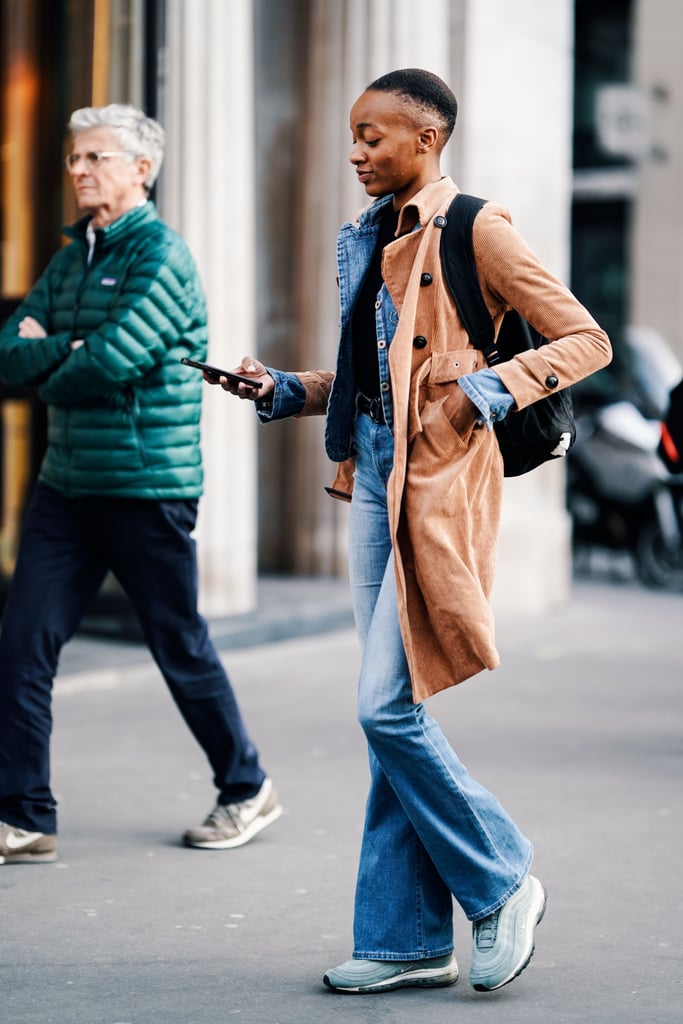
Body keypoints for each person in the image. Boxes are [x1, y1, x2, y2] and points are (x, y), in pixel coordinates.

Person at [211, 69, 612, 995]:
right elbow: (370, 377)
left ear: (424, 139)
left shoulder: (476, 226)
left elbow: (582, 338)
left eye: (372, 136)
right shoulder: (368, 235)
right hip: (370, 479)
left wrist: (484, 391)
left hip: (431, 488)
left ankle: (501, 878)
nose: (354, 152)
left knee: (384, 707)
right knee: (395, 713)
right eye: (350, 136)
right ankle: (405, 941)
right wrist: (282, 389)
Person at [0, 103, 281, 865]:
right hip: (67, 485)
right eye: (73, 159)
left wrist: (53, 353)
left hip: (145, 486)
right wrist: (67, 347)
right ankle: (25, 817)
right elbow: (7, 357)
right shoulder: (71, 259)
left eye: (94, 157)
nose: (78, 170)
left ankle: (245, 786)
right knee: (22, 642)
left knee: (176, 642)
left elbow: (106, 365)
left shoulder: (162, 256)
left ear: (140, 169)